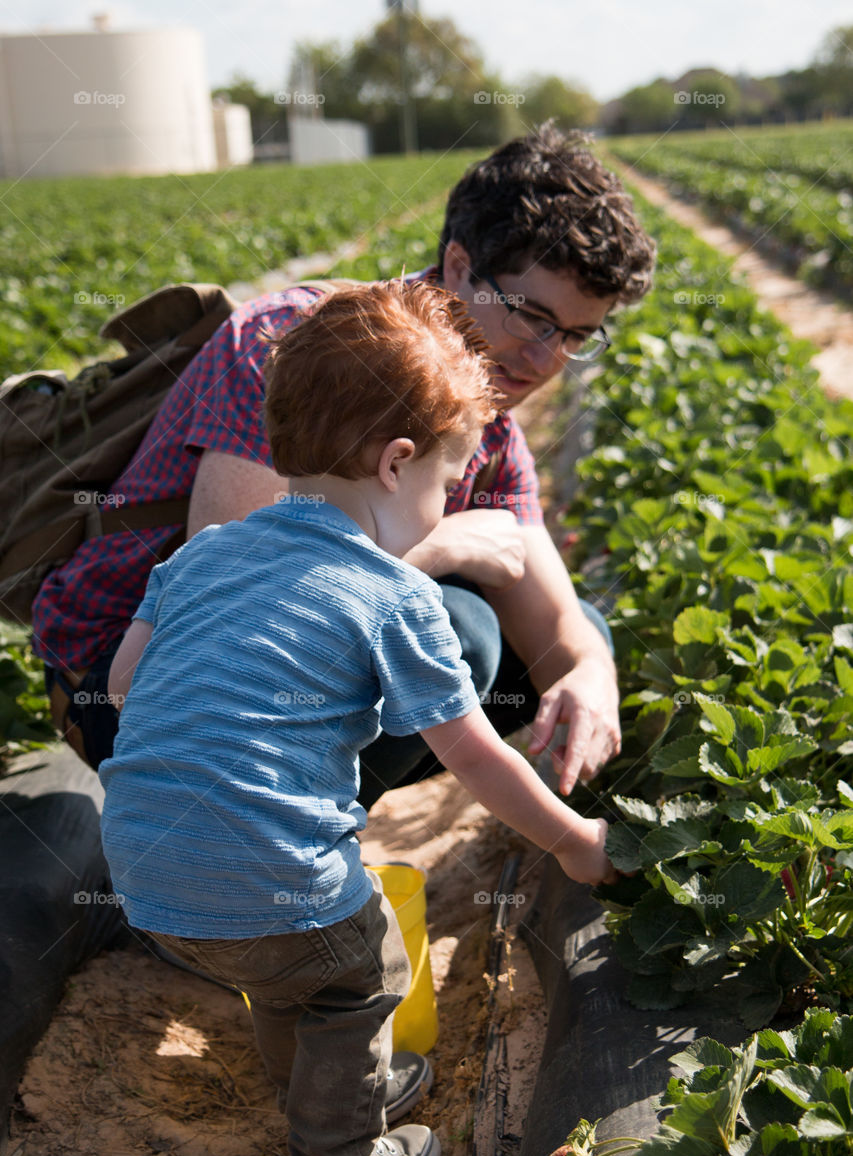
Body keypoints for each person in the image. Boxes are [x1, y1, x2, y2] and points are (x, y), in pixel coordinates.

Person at [98, 280, 615, 1156]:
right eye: (443, 486)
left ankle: (319, 1082)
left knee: (281, 971)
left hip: (147, 882)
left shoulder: (200, 559)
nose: (441, 510)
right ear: (395, 463)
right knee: (355, 968)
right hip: (271, 889)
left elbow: (128, 685)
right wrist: (575, 840)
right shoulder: (393, 596)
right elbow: (476, 757)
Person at [35, 123, 656, 808]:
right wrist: (441, 545)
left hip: (252, 674)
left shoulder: (491, 425)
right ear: (457, 266)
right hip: (127, 686)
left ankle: (301, 840)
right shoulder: (295, 347)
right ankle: (268, 847)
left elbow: (557, 630)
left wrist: (590, 671)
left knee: (578, 641)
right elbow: (246, 610)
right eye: (531, 316)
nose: (544, 358)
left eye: (573, 336)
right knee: (457, 630)